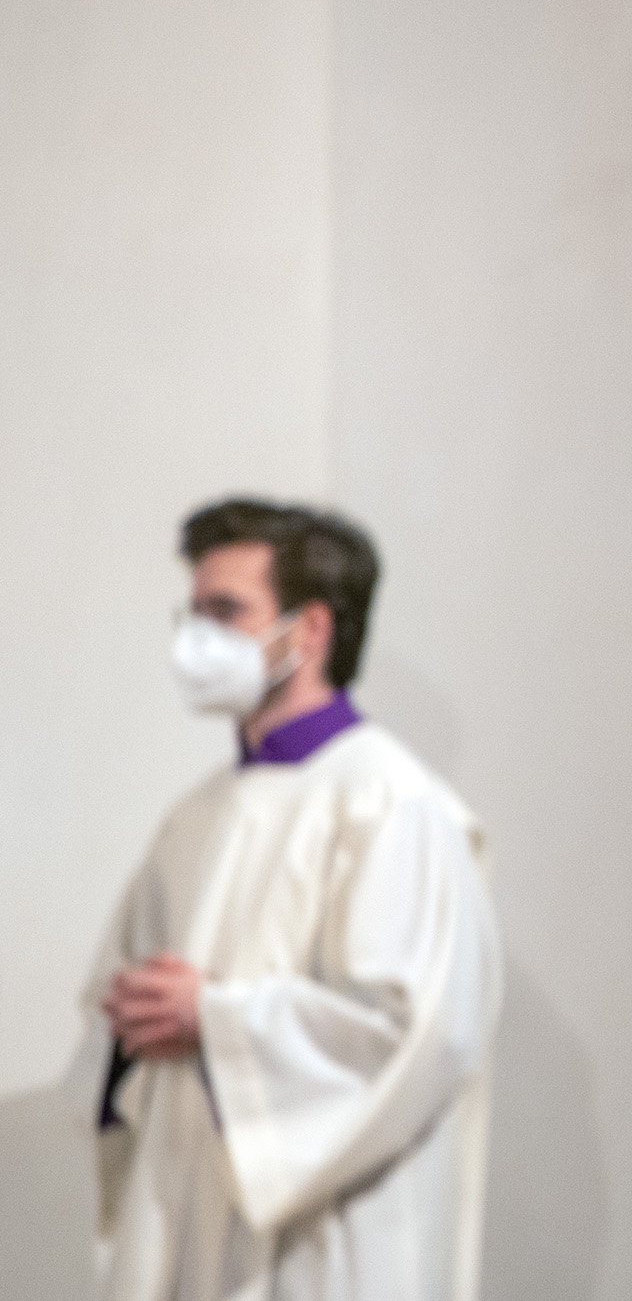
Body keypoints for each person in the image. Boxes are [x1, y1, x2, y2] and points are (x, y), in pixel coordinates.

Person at [66, 498, 503, 1301]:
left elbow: (413, 1035)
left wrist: (215, 1018)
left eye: (226, 611)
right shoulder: (195, 816)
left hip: (324, 1242)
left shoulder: (392, 805)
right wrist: (133, 1014)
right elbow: (121, 1015)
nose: (197, 640)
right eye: (192, 613)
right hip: (188, 1216)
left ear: (311, 630)